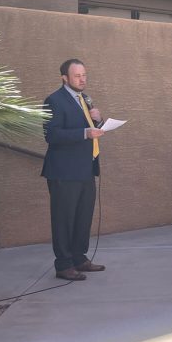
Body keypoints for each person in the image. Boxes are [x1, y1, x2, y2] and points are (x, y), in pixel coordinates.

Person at [41, 58, 106, 281]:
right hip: (64, 172)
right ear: (65, 78)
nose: (82, 79)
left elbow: (90, 129)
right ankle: (64, 265)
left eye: (84, 75)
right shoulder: (54, 101)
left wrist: (98, 121)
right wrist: (84, 133)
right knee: (64, 219)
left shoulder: (84, 99)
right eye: (77, 76)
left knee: (83, 217)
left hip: (86, 169)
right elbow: (52, 135)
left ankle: (79, 259)